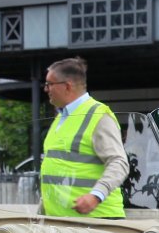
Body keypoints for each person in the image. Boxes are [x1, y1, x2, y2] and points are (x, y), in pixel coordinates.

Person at [41, 57, 128, 217]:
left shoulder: (98, 115)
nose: (46, 89)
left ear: (67, 86)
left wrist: (96, 196)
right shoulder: (60, 118)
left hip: (98, 221)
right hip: (64, 221)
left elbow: (119, 163)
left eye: (49, 84)